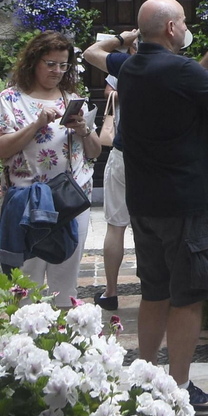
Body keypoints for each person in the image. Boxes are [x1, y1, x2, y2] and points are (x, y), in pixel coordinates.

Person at [119, 0, 208, 416]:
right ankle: (179, 388)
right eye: (185, 23)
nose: (187, 27)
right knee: (188, 297)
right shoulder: (179, 70)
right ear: (172, 28)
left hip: (145, 203)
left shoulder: (131, 67)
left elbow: (191, 77)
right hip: (186, 204)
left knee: (154, 292)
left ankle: (144, 377)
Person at [0, 31, 101, 307]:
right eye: (51, 64)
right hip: (27, 200)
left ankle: (65, 342)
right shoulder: (9, 100)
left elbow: (94, 151)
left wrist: (84, 130)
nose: (58, 71)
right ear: (34, 62)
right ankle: (24, 343)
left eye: (63, 65)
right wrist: (36, 125)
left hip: (69, 201)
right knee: (26, 279)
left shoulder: (71, 98)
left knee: (66, 278)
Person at [81, 27, 140, 311]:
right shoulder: (178, 68)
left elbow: (91, 53)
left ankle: (112, 292)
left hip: (124, 152)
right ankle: (156, 290)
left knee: (116, 226)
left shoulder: (127, 65)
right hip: (158, 159)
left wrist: (120, 40)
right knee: (152, 225)